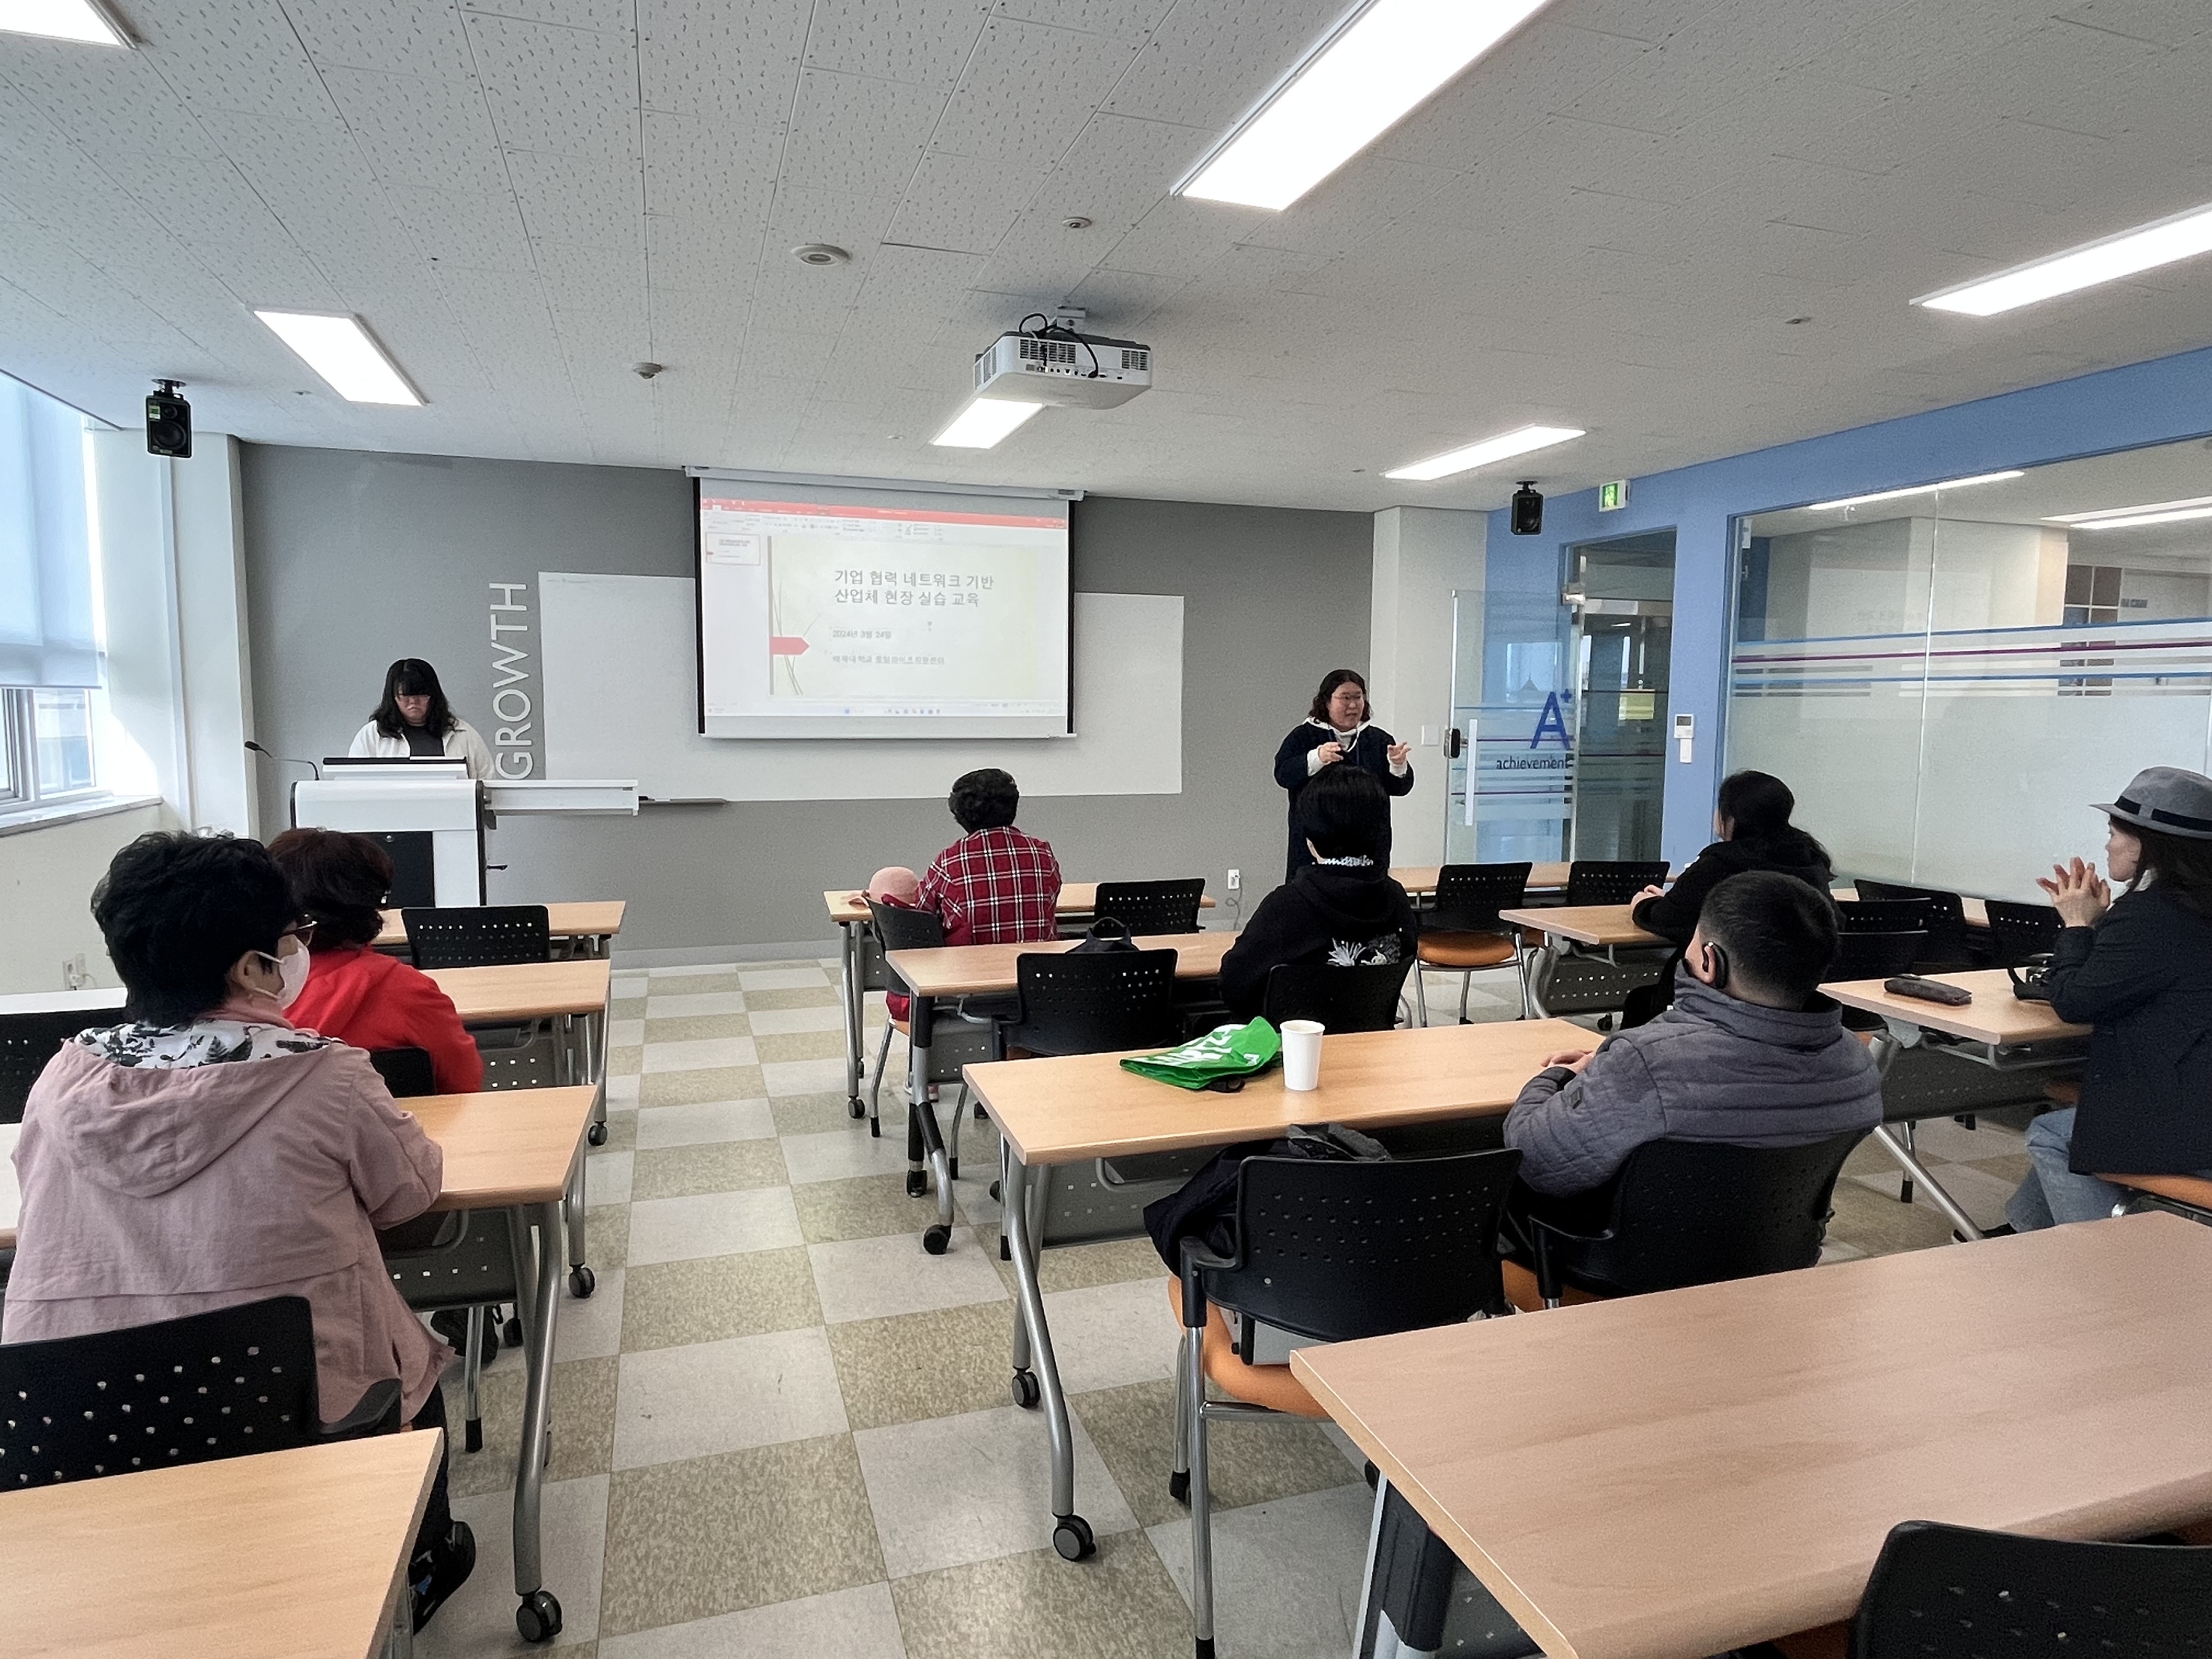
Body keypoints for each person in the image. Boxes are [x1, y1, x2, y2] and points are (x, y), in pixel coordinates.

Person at [2, 831, 474, 1630]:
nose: (301, 951)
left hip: (71, 1419)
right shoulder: (323, 1073)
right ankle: (421, 1563)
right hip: (294, 1408)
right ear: (254, 968)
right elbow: (409, 1192)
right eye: (294, 937)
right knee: (400, 1355)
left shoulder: (64, 1076)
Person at [1504, 870, 1882, 1198]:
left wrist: (1558, 1076)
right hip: (1776, 1258)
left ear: (1709, 961)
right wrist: (1606, 1070)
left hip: (1625, 1269)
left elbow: (1533, 1156)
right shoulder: (1857, 1063)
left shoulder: (1648, 1062)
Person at [2005, 767, 2212, 1232]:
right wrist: (2100, 925)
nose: (2107, 846)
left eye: (2114, 833)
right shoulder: (2183, 910)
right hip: (2198, 1101)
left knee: (2052, 1136)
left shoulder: (2153, 915)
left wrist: (2078, 927)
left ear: (2145, 843)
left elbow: (2075, 1003)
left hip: (2193, 1128)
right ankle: (2016, 1238)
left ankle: (2104, 1266)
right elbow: (2142, 977)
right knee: (2078, 1128)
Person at [267, 827, 485, 1095]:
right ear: (369, 905)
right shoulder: (408, 992)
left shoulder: (247, 996)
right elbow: (464, 1082)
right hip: (396, 1133)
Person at [1618, 769, 1834, 1026]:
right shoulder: (1808, 858)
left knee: (1641, 1002)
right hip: (1797, 997)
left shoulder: (1722, 861)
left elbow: (1668, 918)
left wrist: (1643, 904)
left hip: (1727, 993)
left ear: (1731, 818)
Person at [1221, 766, 1418, 1019]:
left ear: (1310, 839)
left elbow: (1235, 987)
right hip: (1370, 1046)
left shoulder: (1286, 906)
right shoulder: (1397, 899)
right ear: (1381, 832)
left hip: (1292, 1052)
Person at [1272, 669, 1413, 882]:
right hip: (1316, 844)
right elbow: (1283, 775)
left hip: (1371, 847)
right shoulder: (1304, 736)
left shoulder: (1377, 739)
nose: (1354, 705)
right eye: (1345, 698)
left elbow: (1399, 789)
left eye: (1358, 697)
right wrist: (1316, 758)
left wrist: (1398, 766)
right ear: (1327, 702)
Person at [916, 769, 1063, 948]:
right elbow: (1051, 898)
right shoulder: (1041, 852)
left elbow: (921, 918)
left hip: (972, 972)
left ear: (959, 814)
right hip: (1038, 971)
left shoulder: (950, 861)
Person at [348, 657, 493, 778]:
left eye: (421, 695)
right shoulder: (371, 735)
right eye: (406, 695)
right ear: (393, 697)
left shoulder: (463, 734)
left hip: (453, 811)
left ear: (433, 696)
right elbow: (354, 783)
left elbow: (487, 782)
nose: (413, 702)